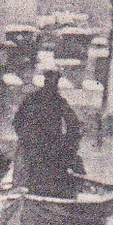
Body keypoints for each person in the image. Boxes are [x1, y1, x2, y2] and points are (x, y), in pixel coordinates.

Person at [10, 63, 86, 199]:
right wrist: (27, 139)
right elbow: (17, 122)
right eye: (50, 79)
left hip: (47, 146)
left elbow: (73, 125)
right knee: (26, 176)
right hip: (35, 147)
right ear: (46, 80)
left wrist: (67, 145)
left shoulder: (56, 101)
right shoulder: (34, 99)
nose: (52, 83)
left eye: (54, 79)